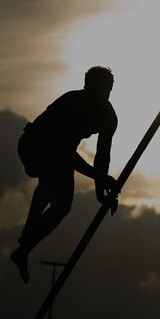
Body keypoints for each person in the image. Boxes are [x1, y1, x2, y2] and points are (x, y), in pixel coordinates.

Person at [11, 66, 119, 283]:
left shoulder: (108, 117)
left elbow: (102, 155)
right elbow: (64, 153)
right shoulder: (71, 103)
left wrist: (100, 192)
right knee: (51, 174)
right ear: (86, 87)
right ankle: (27, 236)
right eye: (96, 91)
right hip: (34, 145)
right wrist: (98, 178)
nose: (100, 97)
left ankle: (23, 250)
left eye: (106, 91)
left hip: (59, 155)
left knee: (62, 207)